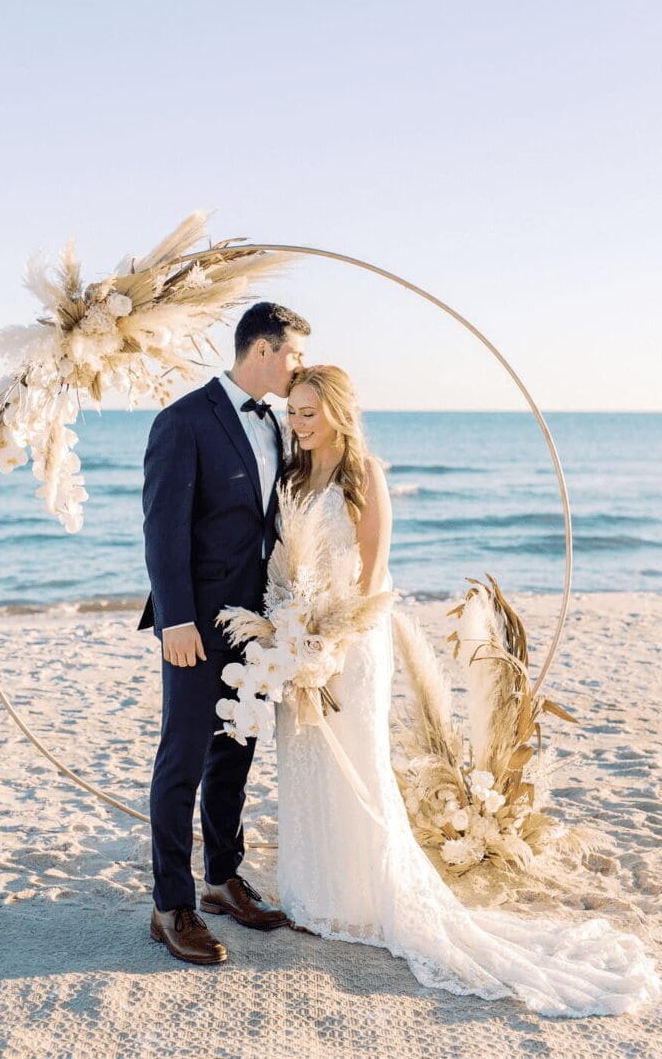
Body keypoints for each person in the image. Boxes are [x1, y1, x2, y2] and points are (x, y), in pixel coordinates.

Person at [275, 363, 660, 1017]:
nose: (299, 424)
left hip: (352, 642)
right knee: (307, 760)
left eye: (309, 413)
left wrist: (332, 642)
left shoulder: (366, 476)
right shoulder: (292, 476)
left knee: (356, 765)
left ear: (338, 411)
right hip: (301, 641)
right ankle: (320, 895)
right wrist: (292, 634)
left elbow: (372, 577)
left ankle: (368, 895)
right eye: (294, 413)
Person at [139, 301, 310, 964]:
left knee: (236, 749)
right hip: (197, 624)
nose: (298, 368)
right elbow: (163, 527)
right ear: (263, 350)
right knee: (182, 755)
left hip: (258, 622)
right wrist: (175, 619)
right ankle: (170, 904)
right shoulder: (184, 421)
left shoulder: (279, 424)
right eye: (293, 354)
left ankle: (221, 881)